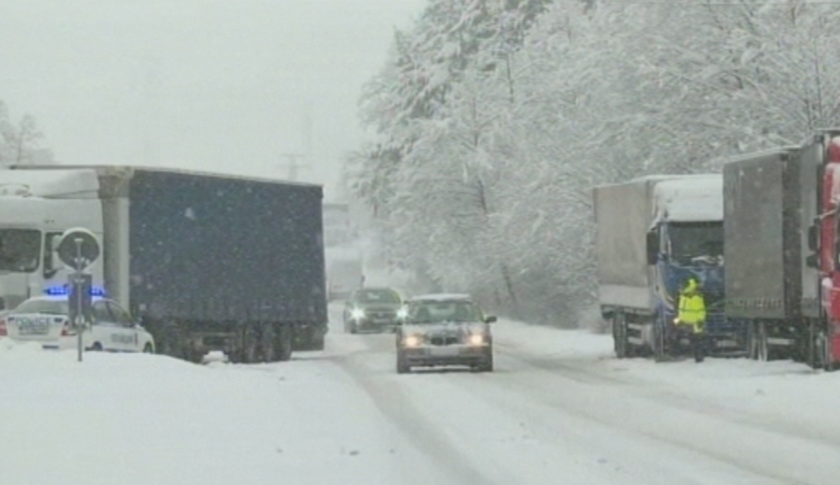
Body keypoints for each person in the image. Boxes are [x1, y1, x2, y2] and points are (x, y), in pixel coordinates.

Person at [675, 277, 707, 362]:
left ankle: (699, 358)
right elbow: (681, 309)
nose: (680, 288)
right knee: (692, 340)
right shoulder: (684, 296)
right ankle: (694, 355)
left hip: (695, 323)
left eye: (682, 286)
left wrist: (700, 320)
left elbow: (701, 310)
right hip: (686, 322)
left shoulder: (695, 297)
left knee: (697, 341)